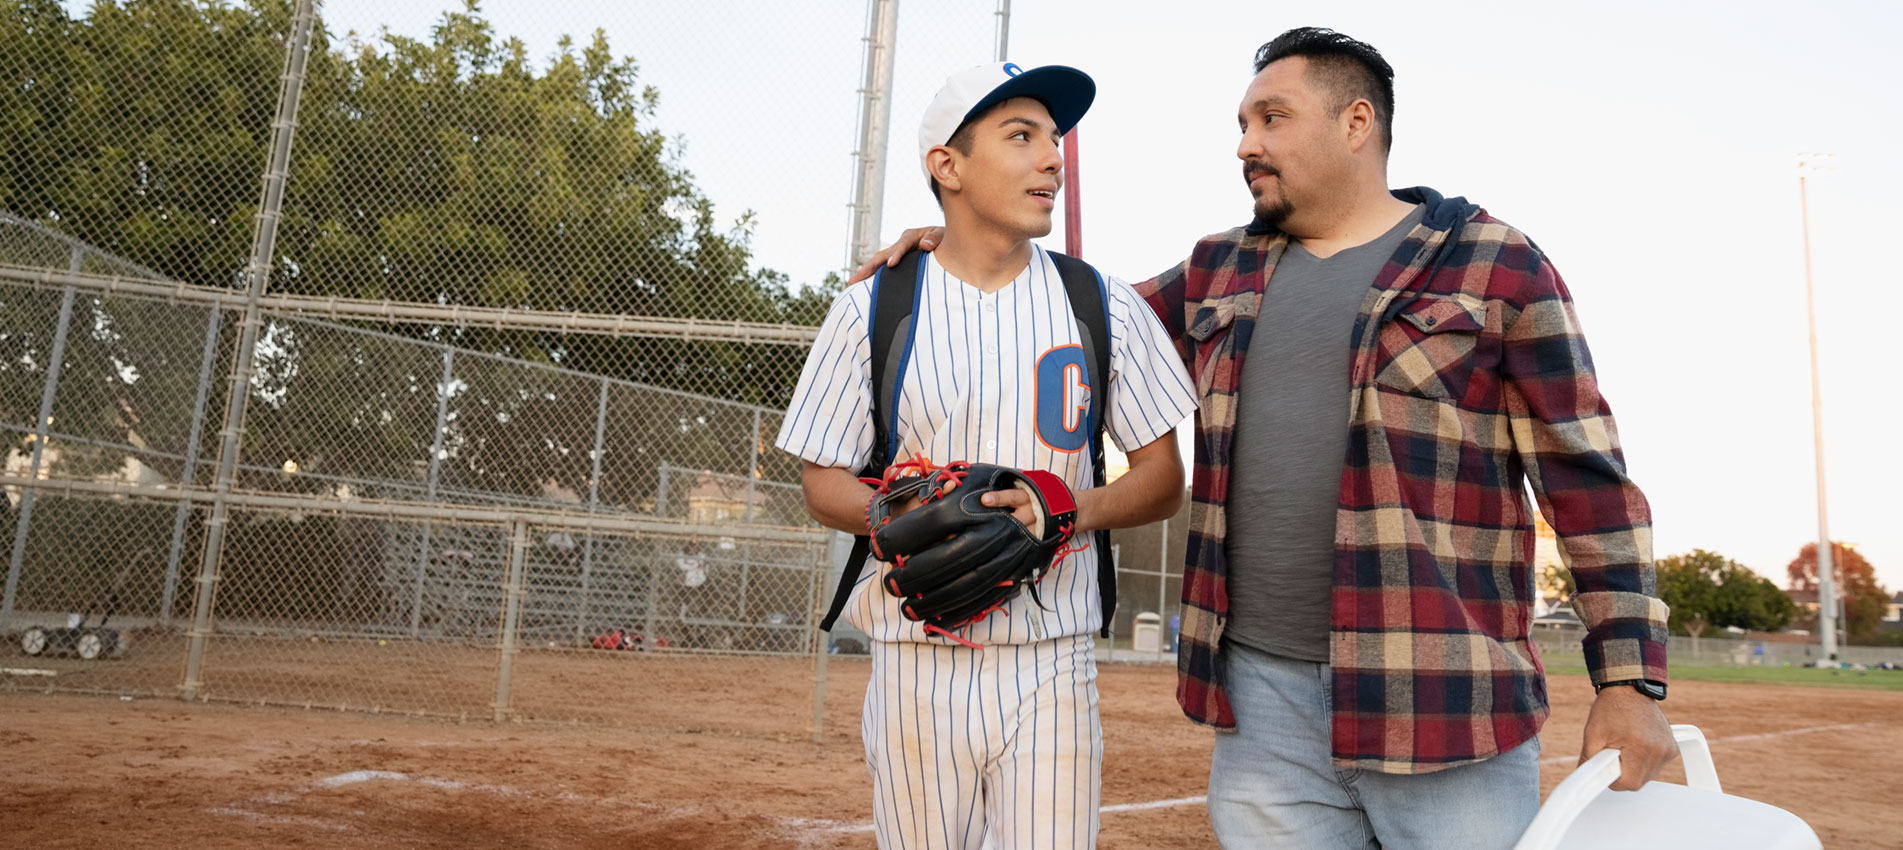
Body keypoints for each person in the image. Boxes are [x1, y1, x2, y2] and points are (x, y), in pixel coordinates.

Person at [853, 27, 1675, 849]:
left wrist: (1629, 678)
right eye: (1243, 124)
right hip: (1262, 711)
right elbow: (1056, 321)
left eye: (1271, 119)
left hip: (1441, 706)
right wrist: (955, 249)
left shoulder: (1496, 265)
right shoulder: (1218, 269)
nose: (1245, 145)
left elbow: (1587, 481)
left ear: (1356, 122)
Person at [778, 62, 1196, 849]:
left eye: (1053, 137)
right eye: (1020, 136)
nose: (1052, 157)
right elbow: (819, 477)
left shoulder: (1100, 303)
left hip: (1051, 658)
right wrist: (903, 517)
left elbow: (1162, 479)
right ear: (948, 166)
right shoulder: (874, 306)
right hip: (914, 657)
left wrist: (1067, 507)